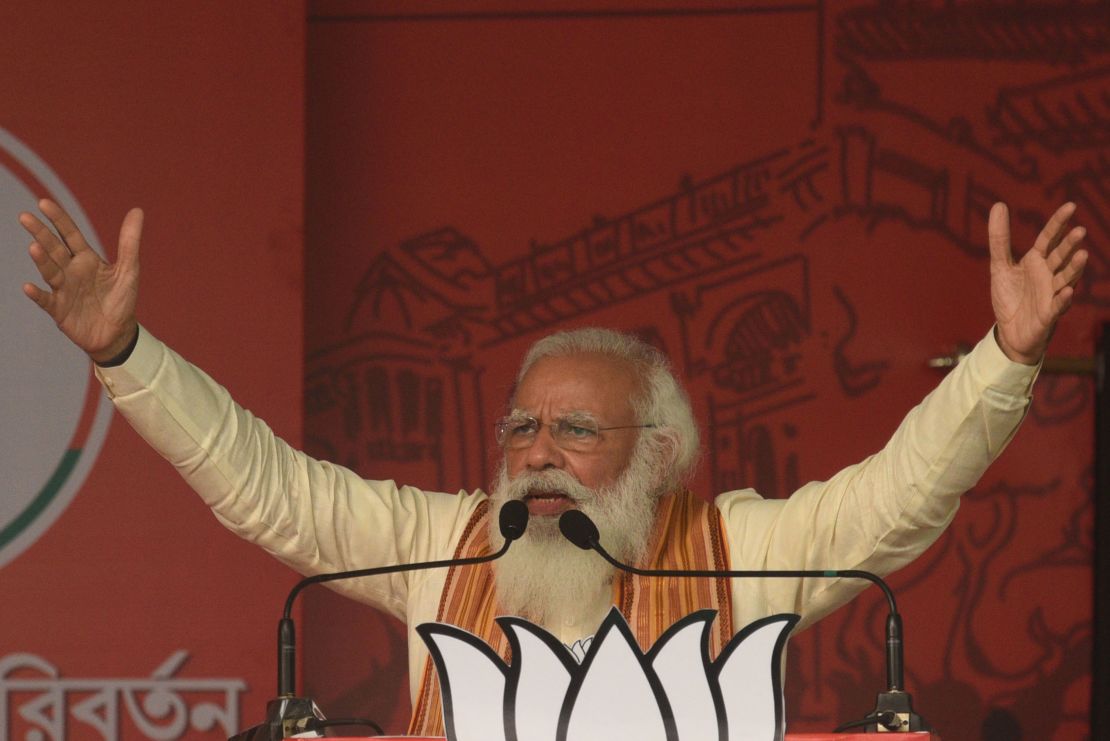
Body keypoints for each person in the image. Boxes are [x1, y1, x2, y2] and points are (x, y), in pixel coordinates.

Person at [18, 198, 1088, 734]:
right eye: (522, 428)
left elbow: (901, 496)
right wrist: (124, 354)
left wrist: (1006, 359)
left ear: (659, 455)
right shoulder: (443, 546)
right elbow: (265, 485)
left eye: (574, 432)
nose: (535, 452)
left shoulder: (736, 547)